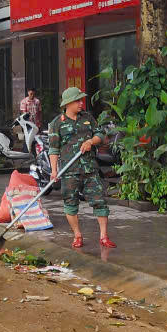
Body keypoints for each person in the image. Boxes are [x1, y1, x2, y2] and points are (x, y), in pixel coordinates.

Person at [49, 87, 113, 248]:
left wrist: (91, 142)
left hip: (90, 168)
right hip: (69, 171)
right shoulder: (57, 123)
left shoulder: (88, 118)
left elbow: (100, 134)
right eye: (77, 100)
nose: (80, 103)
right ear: (68, 103)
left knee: (99, 201)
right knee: (70, 203)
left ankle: (104, 237)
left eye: (80, 100)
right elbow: (54, 149)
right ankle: (77, 236)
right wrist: (54, 171)